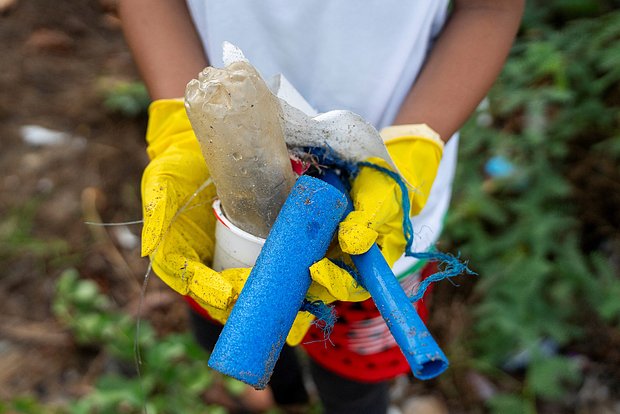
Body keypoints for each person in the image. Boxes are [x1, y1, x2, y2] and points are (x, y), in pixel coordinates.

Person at [118, 1, 524, 413]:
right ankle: (285, 398)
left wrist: (415, 141)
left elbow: (491, 9)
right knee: (233, 321)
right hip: (221, 186)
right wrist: (179, 129)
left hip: (378, 210)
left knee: (353, 385)